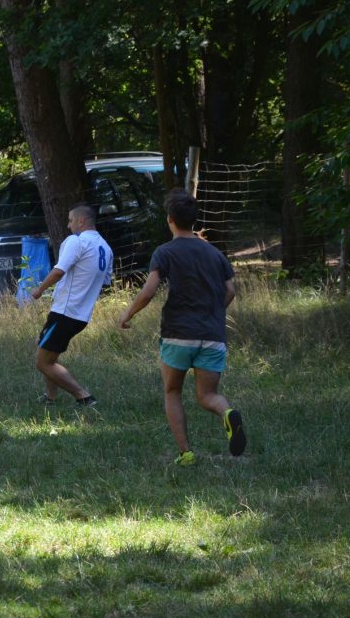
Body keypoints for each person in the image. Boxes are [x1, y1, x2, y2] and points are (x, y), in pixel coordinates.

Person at [118, 188, 246, 466]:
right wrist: (213, 312)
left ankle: (186, 453)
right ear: (194, 219)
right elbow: (230, 290)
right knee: (208, 395)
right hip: (212, 335)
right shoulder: (214, 253)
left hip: (178, 334)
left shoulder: (165, 252)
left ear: (170, 219)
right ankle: (227, 413)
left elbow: (149, 291)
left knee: (172, 391)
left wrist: (128, 313)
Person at [29, 204, 113, 409]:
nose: (68, 225)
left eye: (70, 220)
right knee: (45, 349)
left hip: (65, 312)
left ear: (81, 221)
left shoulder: (77, 241)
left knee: (42, 361)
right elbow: (105, 282)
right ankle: (50, 397)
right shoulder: (105, 248)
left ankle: (84, 397)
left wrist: (39, 290)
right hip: (81, 315)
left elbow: (59, 271)